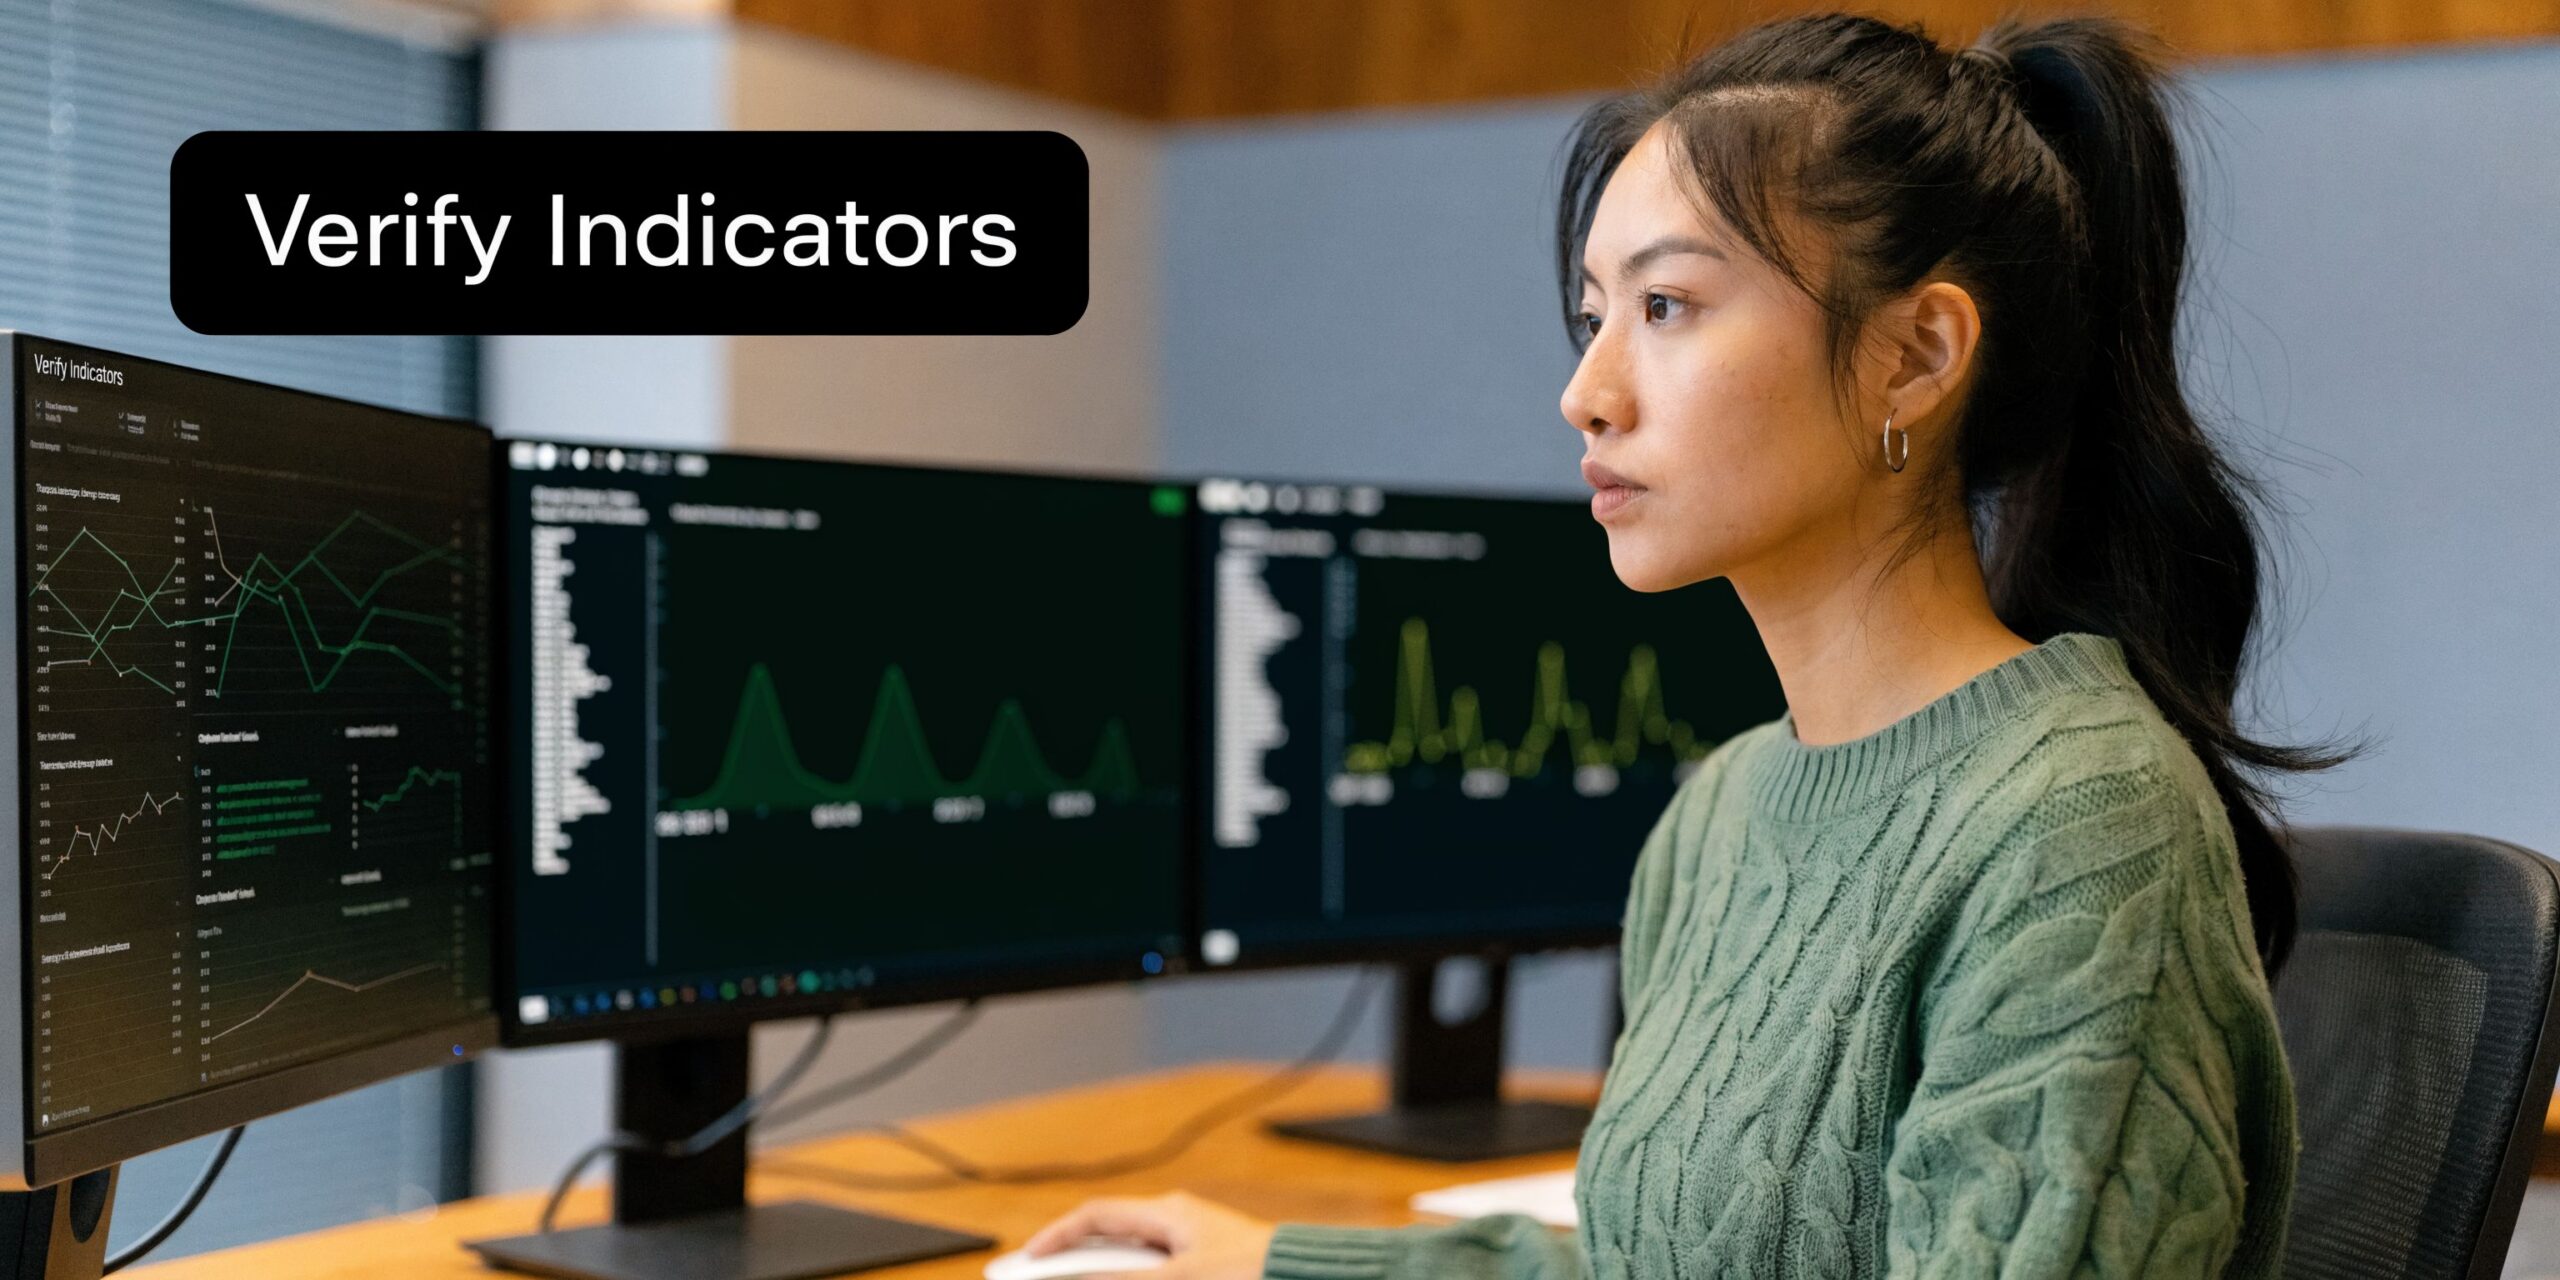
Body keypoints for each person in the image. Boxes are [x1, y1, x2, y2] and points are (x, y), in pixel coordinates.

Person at [1026, 12, 2353, 1277]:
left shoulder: (2081, 823)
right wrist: (1279, 1260)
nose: (1586, 392)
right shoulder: (1720, 815)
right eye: (1591, 314)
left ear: (1915, 356)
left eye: (1666, 308)